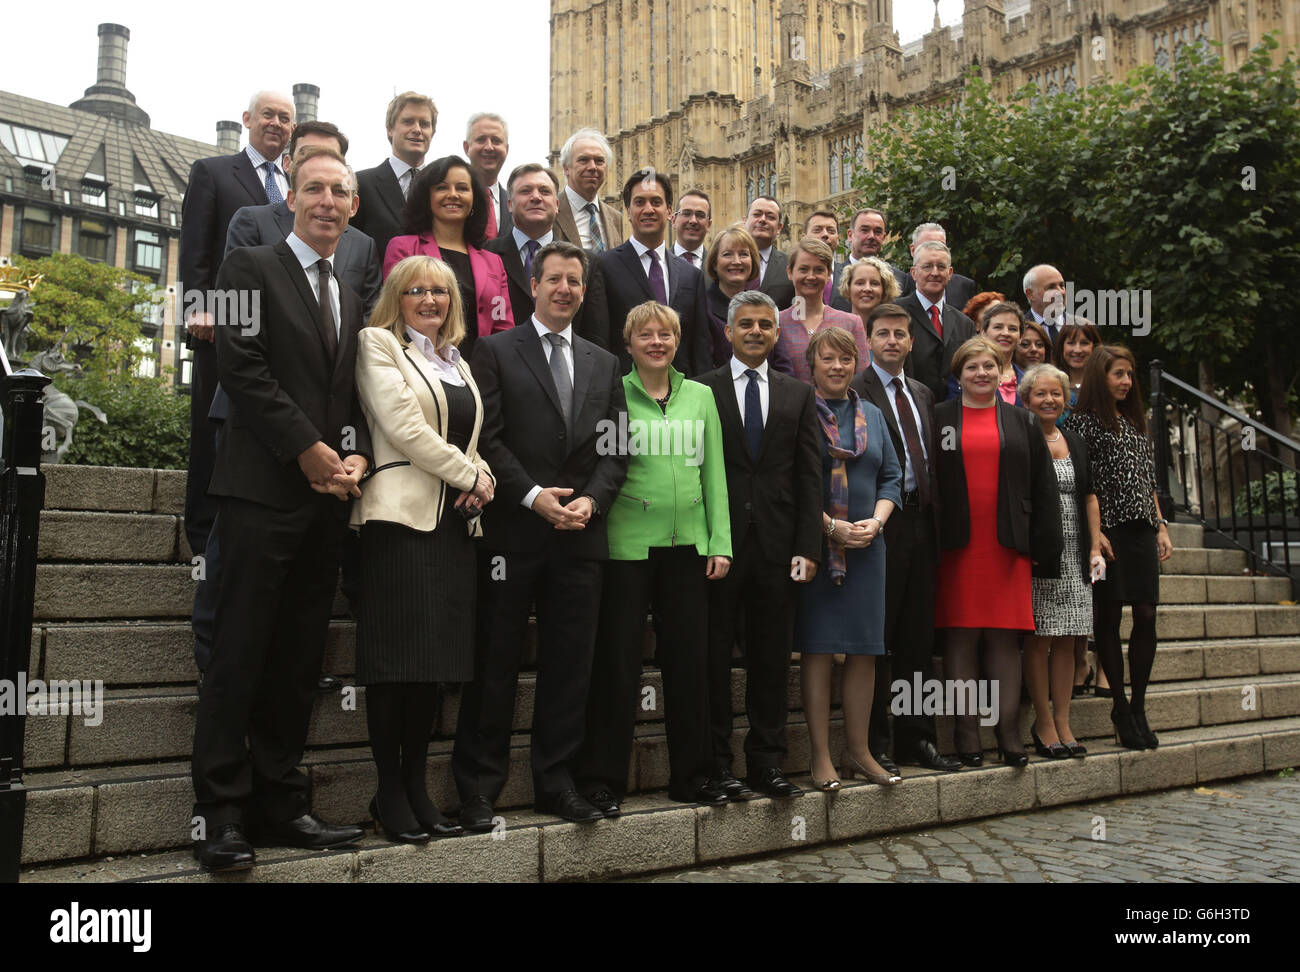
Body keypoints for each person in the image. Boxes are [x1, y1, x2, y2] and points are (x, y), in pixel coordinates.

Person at [190, 147, 371, 871]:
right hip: (262, 491)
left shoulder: (351, 295)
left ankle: (281, 800)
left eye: (341, 191)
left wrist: (352, 452)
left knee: (298, 658)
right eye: (315, 189)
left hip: (325, 498)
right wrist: (306, 449)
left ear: (353, 207)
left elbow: (346, 394)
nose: (328, 201)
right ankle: (221, 814)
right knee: (240, 652)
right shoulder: (249, 268)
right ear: (290, 198)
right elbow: (243, 367)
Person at [452, 241, 629, 827]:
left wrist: (590, 502)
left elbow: (616, 449)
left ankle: (557, 781)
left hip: (580, 536)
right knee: (495, 660)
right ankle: (479, 788)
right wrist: (533, 498)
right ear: (535, 284)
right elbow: (487, 437)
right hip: (513, 533)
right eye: (554, 279)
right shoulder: (496, 351)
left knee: (570, 666)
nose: (565, 290)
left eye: (574, 281)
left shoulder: (605, 363)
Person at [353, 256, 495, 842]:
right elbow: (406, 429)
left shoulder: (456, 360)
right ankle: (388, 793)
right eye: (417, 291)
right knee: (395, 667)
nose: (430, 301)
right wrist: (470, 474)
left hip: (451, 531)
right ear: (397, 297)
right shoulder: (378, 344)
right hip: (399, 522)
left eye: (440, 292)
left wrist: (481, 474)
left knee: (431, 670)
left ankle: (416, 788)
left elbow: (469, 436)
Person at [576, 301, 732, 811]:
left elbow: (715, 474)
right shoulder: (612, 393)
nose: (657, 342)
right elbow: (609, 463)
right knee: (617, 666)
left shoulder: (701, 396)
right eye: (646, 334)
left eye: (665, 334)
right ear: (629, 343)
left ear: (677, 340)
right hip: (626, 546)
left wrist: (720, 542)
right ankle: (602, 779)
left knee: (689, 665)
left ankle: (694, 776)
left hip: (689, 547)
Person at [698, 291, 822, 800]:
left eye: (764, 324)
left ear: (776, 334)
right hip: (719, 549)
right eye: (744, 323)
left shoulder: (798, 394)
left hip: (778, 549)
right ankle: (717, 764)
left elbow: (809, 475)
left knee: (771, 661)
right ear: (727, 332)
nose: (754, 331)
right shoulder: (701, 391)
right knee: (712, 661)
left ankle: (768, 764)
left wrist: (809, 547)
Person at [933, 337, 1062, 768]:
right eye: (972, 367)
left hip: (1008, 543)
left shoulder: (1022, 421)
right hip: (958, 544)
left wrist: (1047, 548)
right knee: (962, 637)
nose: (982, 374)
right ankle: (967, 734)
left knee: (1006, 639)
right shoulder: (940, 419)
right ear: (959, 374)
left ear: (1003, 371)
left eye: (990, 365)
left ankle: (1008, 733)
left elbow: (1044, 488)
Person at [180, 89, 295, 559]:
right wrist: (198, 308)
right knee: (212, 428)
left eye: (285, 118)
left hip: (282, 332)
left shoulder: (298, 184)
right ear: (247, 119)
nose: (276, 124)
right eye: (268, 114)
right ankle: (204, 538)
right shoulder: (213, 173)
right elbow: (196, 248)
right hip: (224, 322)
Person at [851, 304, 962, 773]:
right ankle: (874, 742)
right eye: (883, 334)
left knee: (918, 639)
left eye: (900, 334)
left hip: (923, 525)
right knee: (879, 637)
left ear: (912, 342)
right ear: (869, 341)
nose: (892, 341)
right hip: (879, 526)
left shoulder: (923, 393)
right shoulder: (857, 389)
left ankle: (917, 739)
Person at [797, 326, 902, 789]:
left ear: (856, 362)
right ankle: (821, 757)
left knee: (864, 649)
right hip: (818, 546)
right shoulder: (800, 411)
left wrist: (876, 523)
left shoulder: (873, 414)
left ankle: (859, 751)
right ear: (812, 365)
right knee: (819, 648)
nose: (837, 367)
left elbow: (893, 478)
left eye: (845, 359)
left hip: (868, 547)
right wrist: (829, 527)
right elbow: (792, 482)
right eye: (828, 360)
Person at [1065, 345, 1174, 750]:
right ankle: (1120, 708)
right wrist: (1095, 536)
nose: (1127, 381)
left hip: (1143, 530)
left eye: (1130, 374)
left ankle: (1140, 705)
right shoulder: (1083, 423)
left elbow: (1146, 480)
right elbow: (1083, 485)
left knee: (1146, 613)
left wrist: (1161, 525)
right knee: (1108, 617)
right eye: (1118, 374)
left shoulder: (1136, 421)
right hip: (1107, 533)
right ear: (1100, 377)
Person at [1020, 363, 1101, 760]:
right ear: (1027, 399)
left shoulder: (1075, 439)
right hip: (1041, 552)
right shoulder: (1022, 438)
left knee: (1071, 640)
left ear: (1066, 399)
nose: (1049, 400)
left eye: (1056, 394)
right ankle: (1043, 721)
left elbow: (1089, 495)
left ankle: (1064, 719)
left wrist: (1095, 547)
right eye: (1041, 394)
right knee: (1040, 640)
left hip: (1077, 552)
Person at [225, 121, 381, 317]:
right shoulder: (252, 223)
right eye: (308, 155)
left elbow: (370, 319)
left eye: (328, 156)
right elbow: (237, 317)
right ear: (288, 163)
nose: (327, 201)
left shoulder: (363, 246)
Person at [383, 155, 515, 363]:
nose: (453, 195)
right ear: (427, 197)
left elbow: (503, 326)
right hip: (423, 370)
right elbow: (393, 315)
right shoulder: (404, 248)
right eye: (442, 187)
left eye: (462, 188)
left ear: (474, 199)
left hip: (481, 372)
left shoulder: (493, 262)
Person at [482, 163, 609, 347]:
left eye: (545, 191)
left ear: (557, 205)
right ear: (509, 204)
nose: (536, 197)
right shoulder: (486, 256)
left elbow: (596, 337)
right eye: (525, 191)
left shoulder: (587, 262)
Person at [597, 168, 710, 375]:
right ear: (628, 212)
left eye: (656, 202)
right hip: (626, 393)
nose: (648, 209)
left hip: (680, 395)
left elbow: (700, 346)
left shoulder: (691, 275)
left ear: (669, 212)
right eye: (640, 202)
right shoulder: (604, 266)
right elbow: (599, 340)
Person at [353, 92, 437, 260]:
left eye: (424, 124)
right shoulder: (361, 184)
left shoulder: (442, 188)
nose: (417, 130)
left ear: (433, 132)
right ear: (390, 129)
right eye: (408, 121)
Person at [776, 238, 870, 384]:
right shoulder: (776, 323)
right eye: (804, 269)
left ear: (828, 275)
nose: (811, 276)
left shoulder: (851, 323)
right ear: (790, 272)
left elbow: (863, 380)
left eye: (819, 270)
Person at [703, 227, 794, 374]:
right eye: (728, 254)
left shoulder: (766, 307)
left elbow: (783, 367)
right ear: (714, 262)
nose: (737, 261)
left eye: (744, 254)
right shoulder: (702, 308)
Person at [896, 240, 976, 401]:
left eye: (941, 267)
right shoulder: (896, 314)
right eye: (927, 266)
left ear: (950, 273)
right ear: (913, 273)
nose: (935, 272)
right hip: (910, 407)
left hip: (954, 412)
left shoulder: (964, 323)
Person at [554, 128, 623, 251]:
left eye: (599, 161)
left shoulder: (616, 218)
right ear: (566, 168)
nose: (592, 167)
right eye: (583, 160)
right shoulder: (549, 212)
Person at [946, 301, 1026, 404]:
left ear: (1020, 337)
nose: (1006, 333)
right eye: (998, 327)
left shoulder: (1027, 379)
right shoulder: (965, 373)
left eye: (1012, 329)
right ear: (983, 332)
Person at [897, 223, 978, 309]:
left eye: (940, 246)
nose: (934, 250)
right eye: (927, 246)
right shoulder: (898, 289)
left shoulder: (964, 287)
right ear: (913, 250)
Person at [463, 112, 511, 238]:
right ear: (467, 147)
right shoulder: (452, 199)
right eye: (481, 140)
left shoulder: (515, 205)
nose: (489, 147)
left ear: (506, 149)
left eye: (496, 141)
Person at [745, 196, 795, 310]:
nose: (762, 220)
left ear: (779, 228)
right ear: (745, 221)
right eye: (757, 214)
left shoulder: (791, 266)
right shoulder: (726, 262)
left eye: (770, 217)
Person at [838, 256, 900, 338]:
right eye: (860, 283)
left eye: (874, 283)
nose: (867, 289)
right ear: (848, 288)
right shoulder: (836, 333)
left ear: (884, 290)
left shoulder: (895, 335)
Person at [1055, 320, 1103, 418]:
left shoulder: (1104, 384)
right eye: (1071, 343)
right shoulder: (1051, 382)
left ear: (1094, 346)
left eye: (1084, 343)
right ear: (1062, 346)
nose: (1077, 350)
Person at [803, 210, 847, 308]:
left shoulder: (850, 276)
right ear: (804, 238)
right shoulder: (791, 277)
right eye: (817, 230)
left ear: (838, 239)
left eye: (831, 231)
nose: (825, 235)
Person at [1022, 263, 1068, 345]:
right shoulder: (1019, 329)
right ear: (1030, 294)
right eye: (1051, 287)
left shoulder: (1083, 327)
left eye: (1061, 286)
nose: (1060, 292)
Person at [671, 189, 712, 267]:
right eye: (686, 213)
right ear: (673, 221)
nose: (693, 221)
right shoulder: (659, 263)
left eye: (700, 215)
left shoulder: (717, 266)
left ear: (709, 225)